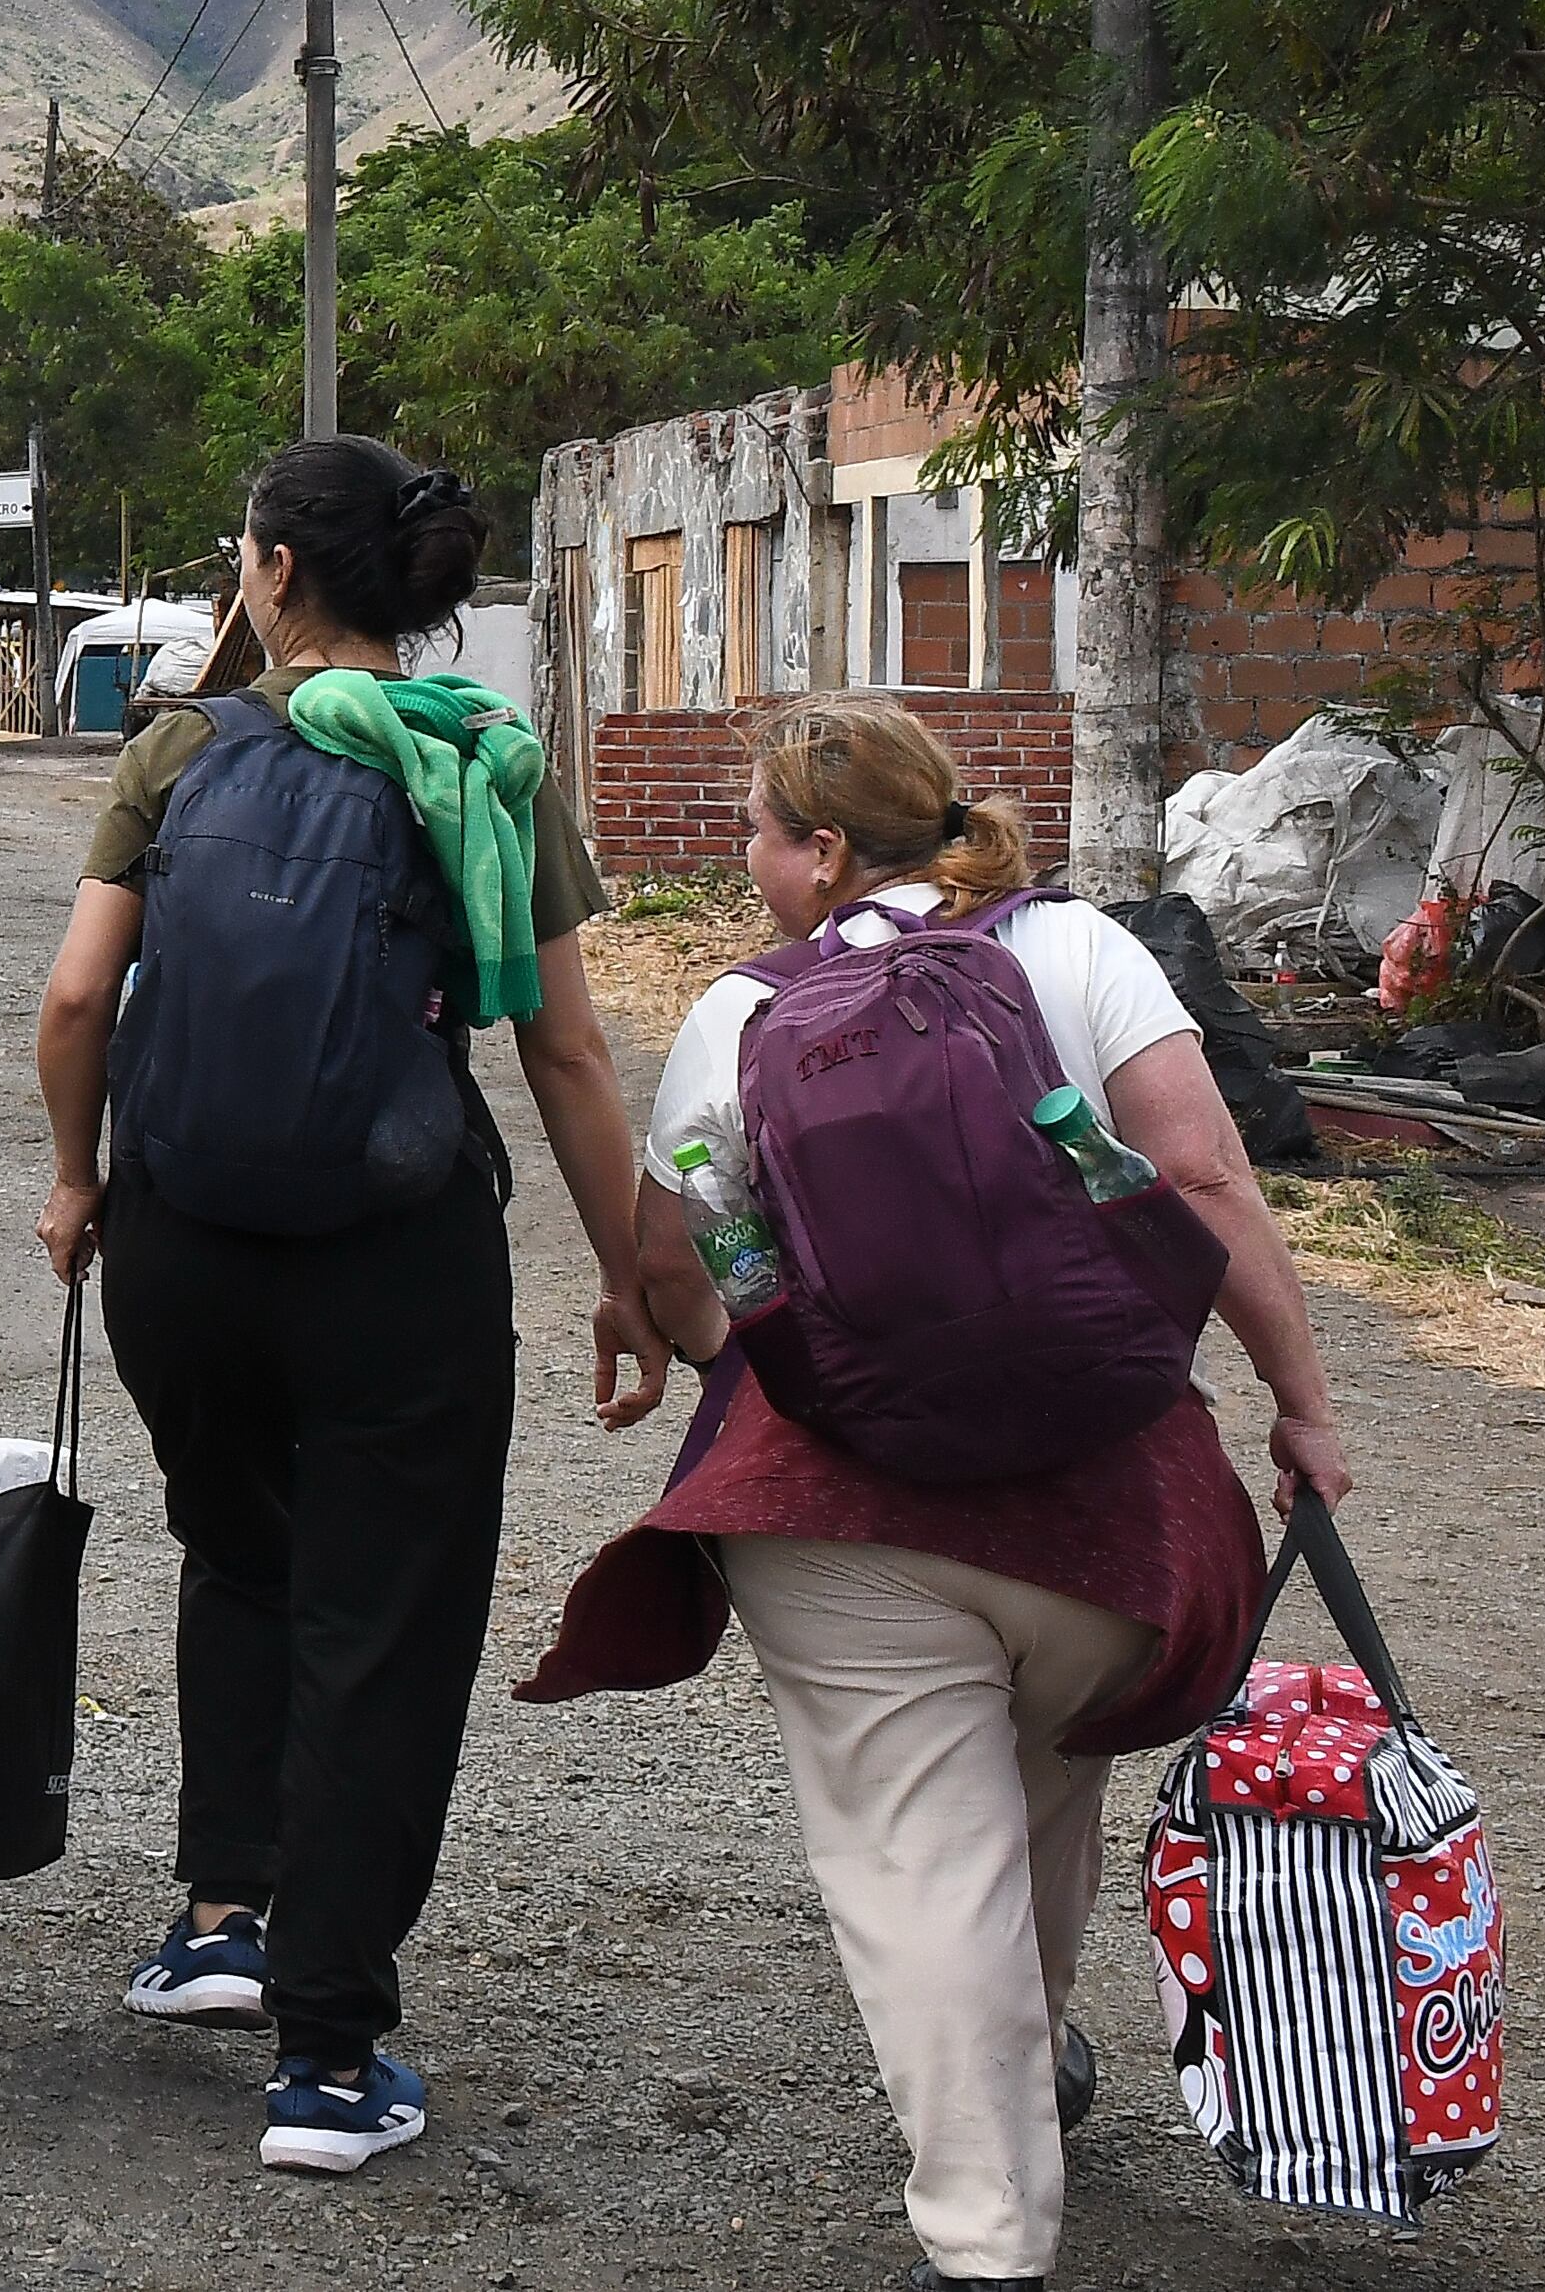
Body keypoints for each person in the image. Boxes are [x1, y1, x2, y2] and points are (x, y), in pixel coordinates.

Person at [528, 694, 1355, 2292]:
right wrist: (1301, 1406)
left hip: (854, 1523)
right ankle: (1033, 2053)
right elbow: (1203, 1181)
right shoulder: (1087, 954)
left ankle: (985, 2233)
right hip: (1107, 1503)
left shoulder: (743, 1012)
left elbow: (674, 1258)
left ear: (822, 848)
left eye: (759, 839)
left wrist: (740, 1359)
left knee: (922, 1850)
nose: (752, 868)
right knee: (1045, 1782)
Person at [31, 434, 670, 2178]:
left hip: (183, 1244)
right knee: (382, 1615)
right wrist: (626, 1269)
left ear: (276, 574)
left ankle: (220, 1915)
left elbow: (81, 994)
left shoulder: (183, 745)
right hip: (398, 1254)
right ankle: (327, 2049)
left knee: (243, 1553)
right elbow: (561, 1043)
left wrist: (81, 1177)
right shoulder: (482, 762)